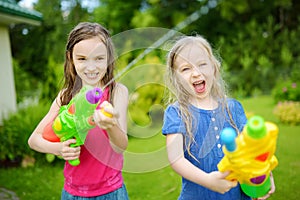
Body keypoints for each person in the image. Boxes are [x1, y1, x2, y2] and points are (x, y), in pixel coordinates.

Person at [162, 35, 275, 200]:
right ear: (176, 77)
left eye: (202, 64)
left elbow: (252, 149)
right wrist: (207, 181)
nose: (196, 73)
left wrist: (264, 175)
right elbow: (176, 158)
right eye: (186, 69)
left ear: (214, 67)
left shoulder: (233, 108)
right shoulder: (177, 112)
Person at [28, 22, 129, 200]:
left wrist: (110, 125)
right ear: (71, 58)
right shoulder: (65, 96)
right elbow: (34, 140)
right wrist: (58, 148)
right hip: (73, 194)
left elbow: (120, 147)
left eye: (99, 58)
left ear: (109, 58)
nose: (91, 68)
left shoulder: (117, 92)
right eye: (82, 59)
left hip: (112, 192)